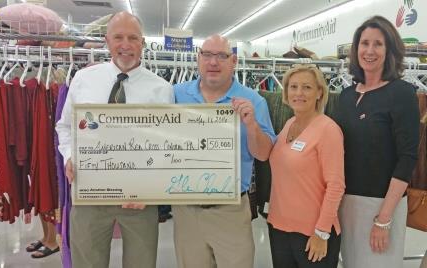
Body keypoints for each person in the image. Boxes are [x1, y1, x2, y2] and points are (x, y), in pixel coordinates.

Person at [56, 11, 174, 268]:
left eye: (133, 38)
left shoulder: (161, 89)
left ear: (142, 43)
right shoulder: (83, 79)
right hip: (89, 193)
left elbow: (166, 147)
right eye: (118, 37)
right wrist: (69, 156)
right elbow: (64, 126)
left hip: (139, 198)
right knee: (87, 262)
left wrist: (152, 188)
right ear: (107, 41)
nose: (125, 44)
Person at [172, 34, 276, 268]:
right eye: (207, 55)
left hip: (230, 210)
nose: (213, 62)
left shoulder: (254, 101)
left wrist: (251, 125)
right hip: (186, 211)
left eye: (221, 56)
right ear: (198, 58)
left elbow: (264, 154)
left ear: (234, 62)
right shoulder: (175, 95)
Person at [335, 15, 420, 268]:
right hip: (345, 203)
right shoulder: (346, 95)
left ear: (390, 50)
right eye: (364, 43)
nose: (369, 51)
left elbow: (407, 158)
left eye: (378, 44)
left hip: (382, 204)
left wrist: (384, 218)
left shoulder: (402, 94)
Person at [267, 64, 345, 268]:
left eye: (307, 87)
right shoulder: (288, 124)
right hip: (279, 228)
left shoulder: (328, 130)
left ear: (319, 92)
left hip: (312, 232)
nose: (298, 93)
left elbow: (336, 186)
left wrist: (321, 231)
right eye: (293, 87)